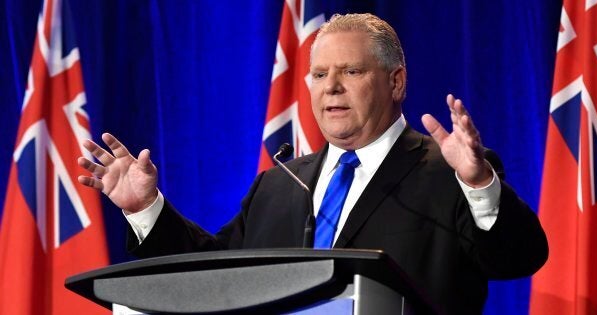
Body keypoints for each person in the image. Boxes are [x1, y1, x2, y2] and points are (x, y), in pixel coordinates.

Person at [77, 13, 547, 314]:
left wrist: (481, 183)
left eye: (352, 71)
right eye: (320, 75)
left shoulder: (449, 174)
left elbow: (518, 257)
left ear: (397, 81)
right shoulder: (280, 185)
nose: (331, 88)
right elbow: (213, 275)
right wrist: (146, 209)